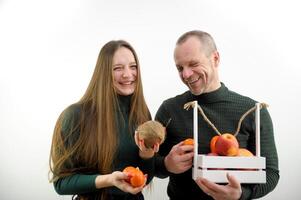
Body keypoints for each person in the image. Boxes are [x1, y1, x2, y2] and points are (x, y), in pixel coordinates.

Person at [154, 30, 279, 200]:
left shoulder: (253, 111)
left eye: (193, 64)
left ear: (216, 59)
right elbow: (150, 165)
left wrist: (241, 194)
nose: (186, 74)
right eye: (180, 68)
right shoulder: (170, 109)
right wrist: (166, 164)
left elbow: (271, 174)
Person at [49, 40, 157, 200]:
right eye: (118, 68)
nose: (128, 74)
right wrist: (109, 179)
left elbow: (146, 178)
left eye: (133, 66)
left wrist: (147, 155)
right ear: (104, 72)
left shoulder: (141, 113)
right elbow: (61, 183)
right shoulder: (74, 116)